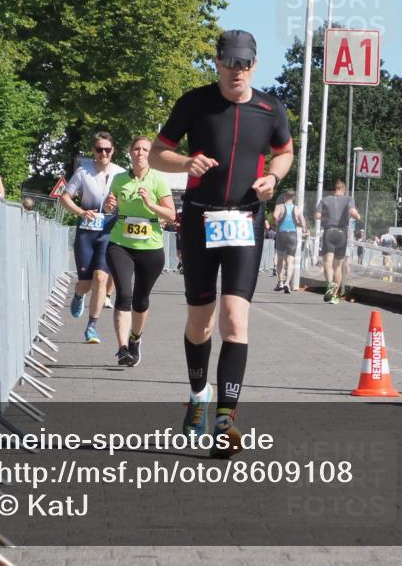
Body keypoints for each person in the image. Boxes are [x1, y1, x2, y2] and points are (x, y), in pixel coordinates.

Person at [151, 29, 293, 458]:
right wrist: (185, 161)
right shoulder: (194, 102)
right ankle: (198, 394)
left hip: (245, 220)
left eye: (245, 63)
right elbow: (158, 152)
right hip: (199, 218)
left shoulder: (271, 108)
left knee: (235, 318)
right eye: (230, 63)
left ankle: (226, 419)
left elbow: (285, 151)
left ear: (255, 64)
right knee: (202, 322)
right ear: (216, 62)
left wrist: (274, 177)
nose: (238, 71)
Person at [103, 136, 175, 367]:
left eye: (145, 149)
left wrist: (150, 204)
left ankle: (135, 339)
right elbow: (109, 205)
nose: (140, 152)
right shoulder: (119, 179)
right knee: (124, 294)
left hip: (150, 247)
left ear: (151, 154)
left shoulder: (158, 180)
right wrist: (109, 206)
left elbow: (171, 215)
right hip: (120, 243)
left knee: (140, 300)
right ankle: (123, 348)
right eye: (136, 148)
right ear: (130, 152)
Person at [58, 132, 125, 344]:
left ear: (113, 151)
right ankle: (78, 295)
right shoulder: (83, 171)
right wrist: (80, 212)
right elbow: (64, 197)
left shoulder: (121, 174)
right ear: (93, 151)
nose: (103, 153)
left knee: (101, 278)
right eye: (99, 149)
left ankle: (92, 327)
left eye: (107, 149)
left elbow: (128, 202)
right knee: (86, 283)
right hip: (86, 232)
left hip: (108, 231)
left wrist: (117, 207)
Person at [315, 179, 361, 304]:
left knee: (327, 262)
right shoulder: (348, 199)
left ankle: (329, 284)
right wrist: (357, 216)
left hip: (329, 231)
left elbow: (317, 216)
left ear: (334, 189)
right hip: (342, 233)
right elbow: (352, 211)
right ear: (343, 189)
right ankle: (334, 295)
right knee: (338, 266)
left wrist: (327, 216)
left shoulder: (325, 199)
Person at [273, 189, 306, 294]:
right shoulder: (297, 209)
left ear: (284, 197)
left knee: (280, 260)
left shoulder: (279, 206)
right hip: (292, 235)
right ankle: (287, 283)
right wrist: (299, 224)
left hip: (282, 234)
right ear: (294, 198)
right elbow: (303, 223)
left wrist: (277, 222)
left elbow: (275, 216)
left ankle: (281, 282)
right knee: (290, 261)